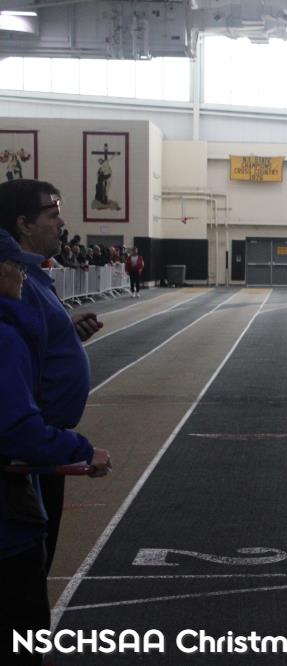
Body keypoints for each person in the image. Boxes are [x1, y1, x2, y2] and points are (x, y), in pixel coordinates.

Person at [0, 236, 112, 666]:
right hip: (8, 519)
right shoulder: (6, 337)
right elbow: (18, 429)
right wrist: (80, 449)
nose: (22, 276)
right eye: (17, 268)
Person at [0, 180, 104, 576]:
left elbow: (33, 345)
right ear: (24, 223)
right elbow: (14, 369)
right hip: (29, 453)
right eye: (52, 214)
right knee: (26, 566)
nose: (61, 223)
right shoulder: (18, 284)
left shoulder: (33, 278)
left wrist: (65, 335)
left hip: (39, 445)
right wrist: (73, 449)